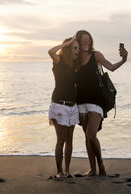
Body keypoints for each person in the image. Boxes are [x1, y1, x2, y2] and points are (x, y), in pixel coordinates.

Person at [75, 30, 128, 176]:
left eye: (89, 40)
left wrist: (124, 60)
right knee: (87, 136)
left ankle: (101, 165)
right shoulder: (74, 58)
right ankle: (92, 169)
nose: (87, 42)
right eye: (83, 40)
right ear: (78, 42)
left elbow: (111, 67)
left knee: (91, 135)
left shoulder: (96, 55)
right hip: (81, 101)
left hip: (96, 101)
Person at [48, 36, 81, 178]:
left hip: (72, 106)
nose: (78, 51)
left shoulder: (74, 66)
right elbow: (50, 51)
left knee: (69, 139)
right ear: (68, 48)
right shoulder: (59, 61)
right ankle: (59, 171)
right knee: (60, 139)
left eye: (78, 48)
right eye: (75, 47)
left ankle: (67, 171)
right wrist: (66, 43)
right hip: (59, 105)